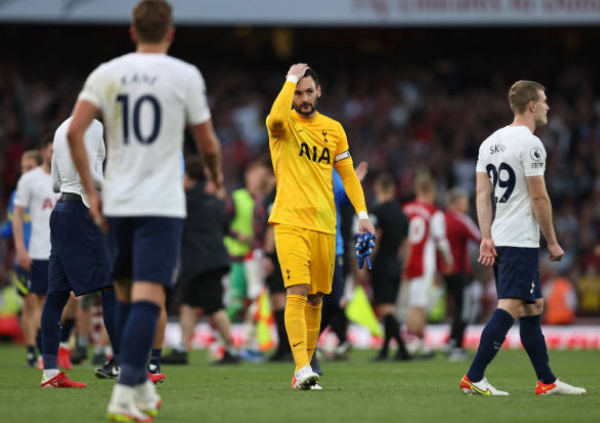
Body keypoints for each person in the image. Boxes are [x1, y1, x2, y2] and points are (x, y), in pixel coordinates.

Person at [67, 0, 223, 419]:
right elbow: (207, 144)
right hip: (160, 204)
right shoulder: (184, 75)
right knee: (150, 299)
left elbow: (75, 132)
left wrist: (91, 191)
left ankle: (138, 387)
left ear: (132, 32)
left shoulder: (107, 72)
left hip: (117, 202)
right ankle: (124, 393)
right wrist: (217, 174)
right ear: (170, 33)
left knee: (124, 293)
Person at [460, 80, 585, 396]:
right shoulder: (530, 143)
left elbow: (481, 192)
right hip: (519, 240)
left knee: (533, 305)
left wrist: (486, 236)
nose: (547, 106)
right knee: (513, 304)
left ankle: (547, 380)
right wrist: (553, 242)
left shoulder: (490, 142)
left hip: (501, 236)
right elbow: (539, 198)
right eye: (544, 101)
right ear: (531, 105)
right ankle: (474, 376)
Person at [266, 63, 374, 390]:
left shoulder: (334, 129)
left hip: (327, 226)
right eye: (298, 93)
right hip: (289, 221)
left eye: (308, 91)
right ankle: (301, 367)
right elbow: (274, 118)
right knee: (296, 293)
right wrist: (288, 80)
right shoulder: (283, 127)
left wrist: (363, 214)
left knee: (317, 299)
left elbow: (349, 175)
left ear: (319, 92)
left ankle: (305, 368)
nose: (303, 98)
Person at [39, 117, 111, 388]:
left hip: (61, 210)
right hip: (81, 211)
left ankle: (50, 372)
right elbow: (87, 175)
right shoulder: (93, 126)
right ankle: (125, 366)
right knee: (111, 286)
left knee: (56, 295)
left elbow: (56, 183)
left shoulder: (59, 128)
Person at [161, 156, 239, 365]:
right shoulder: (215, 199)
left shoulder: (185, 199)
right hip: (212, 259)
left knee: (214, 306)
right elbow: (225, 227)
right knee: (187, 303)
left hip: (202, 261)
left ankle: (232, 350)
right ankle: (181, 349)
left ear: (188, 177)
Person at [13, 137, 61, 367]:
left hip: (66, 250)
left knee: (73, 298)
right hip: (40, 250)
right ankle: (45, 354)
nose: (56, 153)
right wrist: (21, 248)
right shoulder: (30, 180)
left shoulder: (69, 177)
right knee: (42, 302)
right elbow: (17, 214)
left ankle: (64, 346)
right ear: (44, 151)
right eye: (53, 149)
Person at [402, 174, 453, 357]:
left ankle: (418, 342)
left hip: (407, 262)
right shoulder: (434, 213)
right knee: (419, 305)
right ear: (431, 191)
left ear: (417, 190)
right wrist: (448, 260)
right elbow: (441, 241)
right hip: (425, 264)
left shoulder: (406, 209)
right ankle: (413, 342)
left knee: (413, 304)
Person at [0, 150, 41, 366]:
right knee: (29, 302)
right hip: (23, 257)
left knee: (47, 302)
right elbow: (9, 228)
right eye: (23, 168)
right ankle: (32, 351)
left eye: (30, 168)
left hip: (46, 253)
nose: (25, 172)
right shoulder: (17, 196)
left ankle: (52, 346)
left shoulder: (48, 190)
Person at [369, 173, 411, 361]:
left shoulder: (378, 211)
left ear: (378, 188)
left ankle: (403, 349)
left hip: (382, 264)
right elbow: (406, 245)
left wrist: (366, 262)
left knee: (386, 310)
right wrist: (403, 266)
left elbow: (374, 239)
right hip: (395, 264)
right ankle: (385, 351)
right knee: (389, 308)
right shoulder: (402, 214)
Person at [441, 188, 481, 362]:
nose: (467, 205)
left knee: (455, 307)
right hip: (460, 271)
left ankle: (451, 341)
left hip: (445, 272)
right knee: (463, 309)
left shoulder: (440, 219)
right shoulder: (461, 220)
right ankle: (457, 346)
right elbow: (479, 238)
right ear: (456, 203)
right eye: (465, 201)